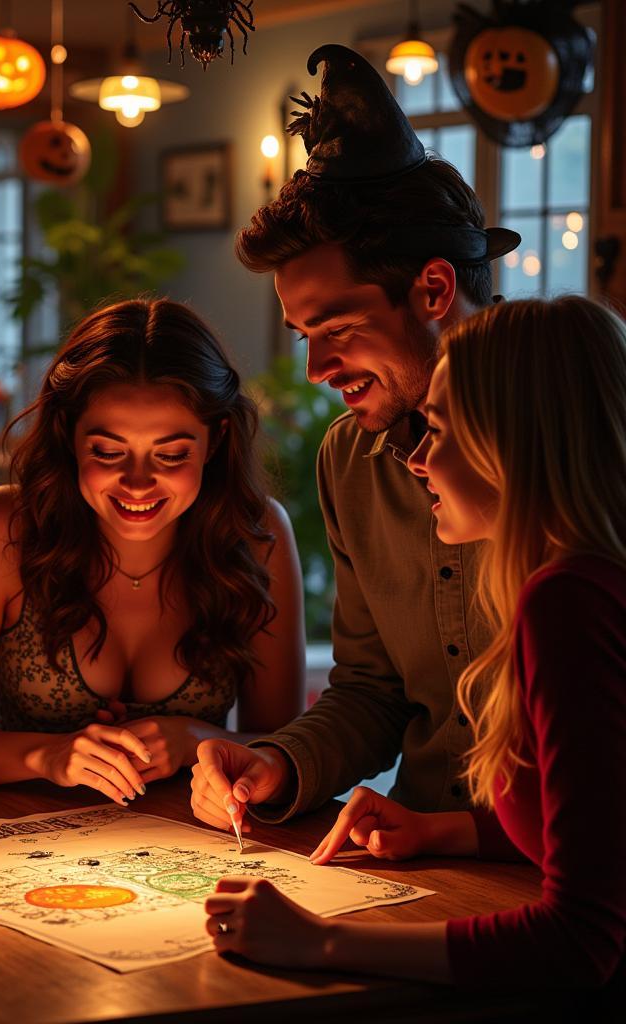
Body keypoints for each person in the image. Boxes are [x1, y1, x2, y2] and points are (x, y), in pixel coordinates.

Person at [202, 295, 626, 991]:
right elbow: (599, 829)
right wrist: (444, 831)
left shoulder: (569, 602)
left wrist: (321, 942)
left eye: (443, 430)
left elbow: (583, 938)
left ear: (515, 442)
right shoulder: (580, 581)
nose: (419, 458)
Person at [190, 44, 522, 834]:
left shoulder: (573, 435)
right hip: (411, 849)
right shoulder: (351, 458)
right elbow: (372, 689)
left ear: (435, 289)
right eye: (303, 333)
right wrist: (281, 762)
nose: (314, 368)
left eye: (335, 328)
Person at [0, 298, 305, 803]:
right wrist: (47, 755)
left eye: (172, 455)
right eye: (108, 452)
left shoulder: (256, 536)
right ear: (69, 435)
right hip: (26, 835)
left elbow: (284, 747)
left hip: (198, 841)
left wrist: (197, 740)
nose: (138, 483)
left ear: (214, 442)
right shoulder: (9, 529)